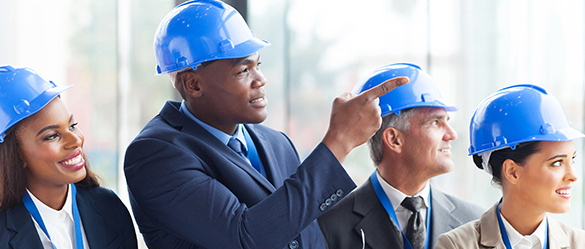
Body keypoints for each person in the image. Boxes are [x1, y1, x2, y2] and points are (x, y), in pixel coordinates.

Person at [123, 1, 409, 248]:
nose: (260, 79)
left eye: (258, 65)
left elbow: (306, 237)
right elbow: (247, 237)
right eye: (243, 70)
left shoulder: (277, 143)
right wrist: (340, 141)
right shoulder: (155, 154)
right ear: (194, 84)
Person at [318, 63, 484, 249]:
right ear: (394, 139)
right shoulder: (330, 226)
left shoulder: (475, 222)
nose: (452, 135)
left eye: (447, 121)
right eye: (435, 122)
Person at [0, 65, 137, 249]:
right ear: (16, 155)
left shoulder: (109, 207)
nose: (76, 140)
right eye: (52, 136)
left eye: (72, 125)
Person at [435, 84, 585, 249]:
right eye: (557, 163)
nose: (573, 175)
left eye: (573, 159)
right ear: (512, 172)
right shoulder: (458, 245)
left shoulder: (580, 242)